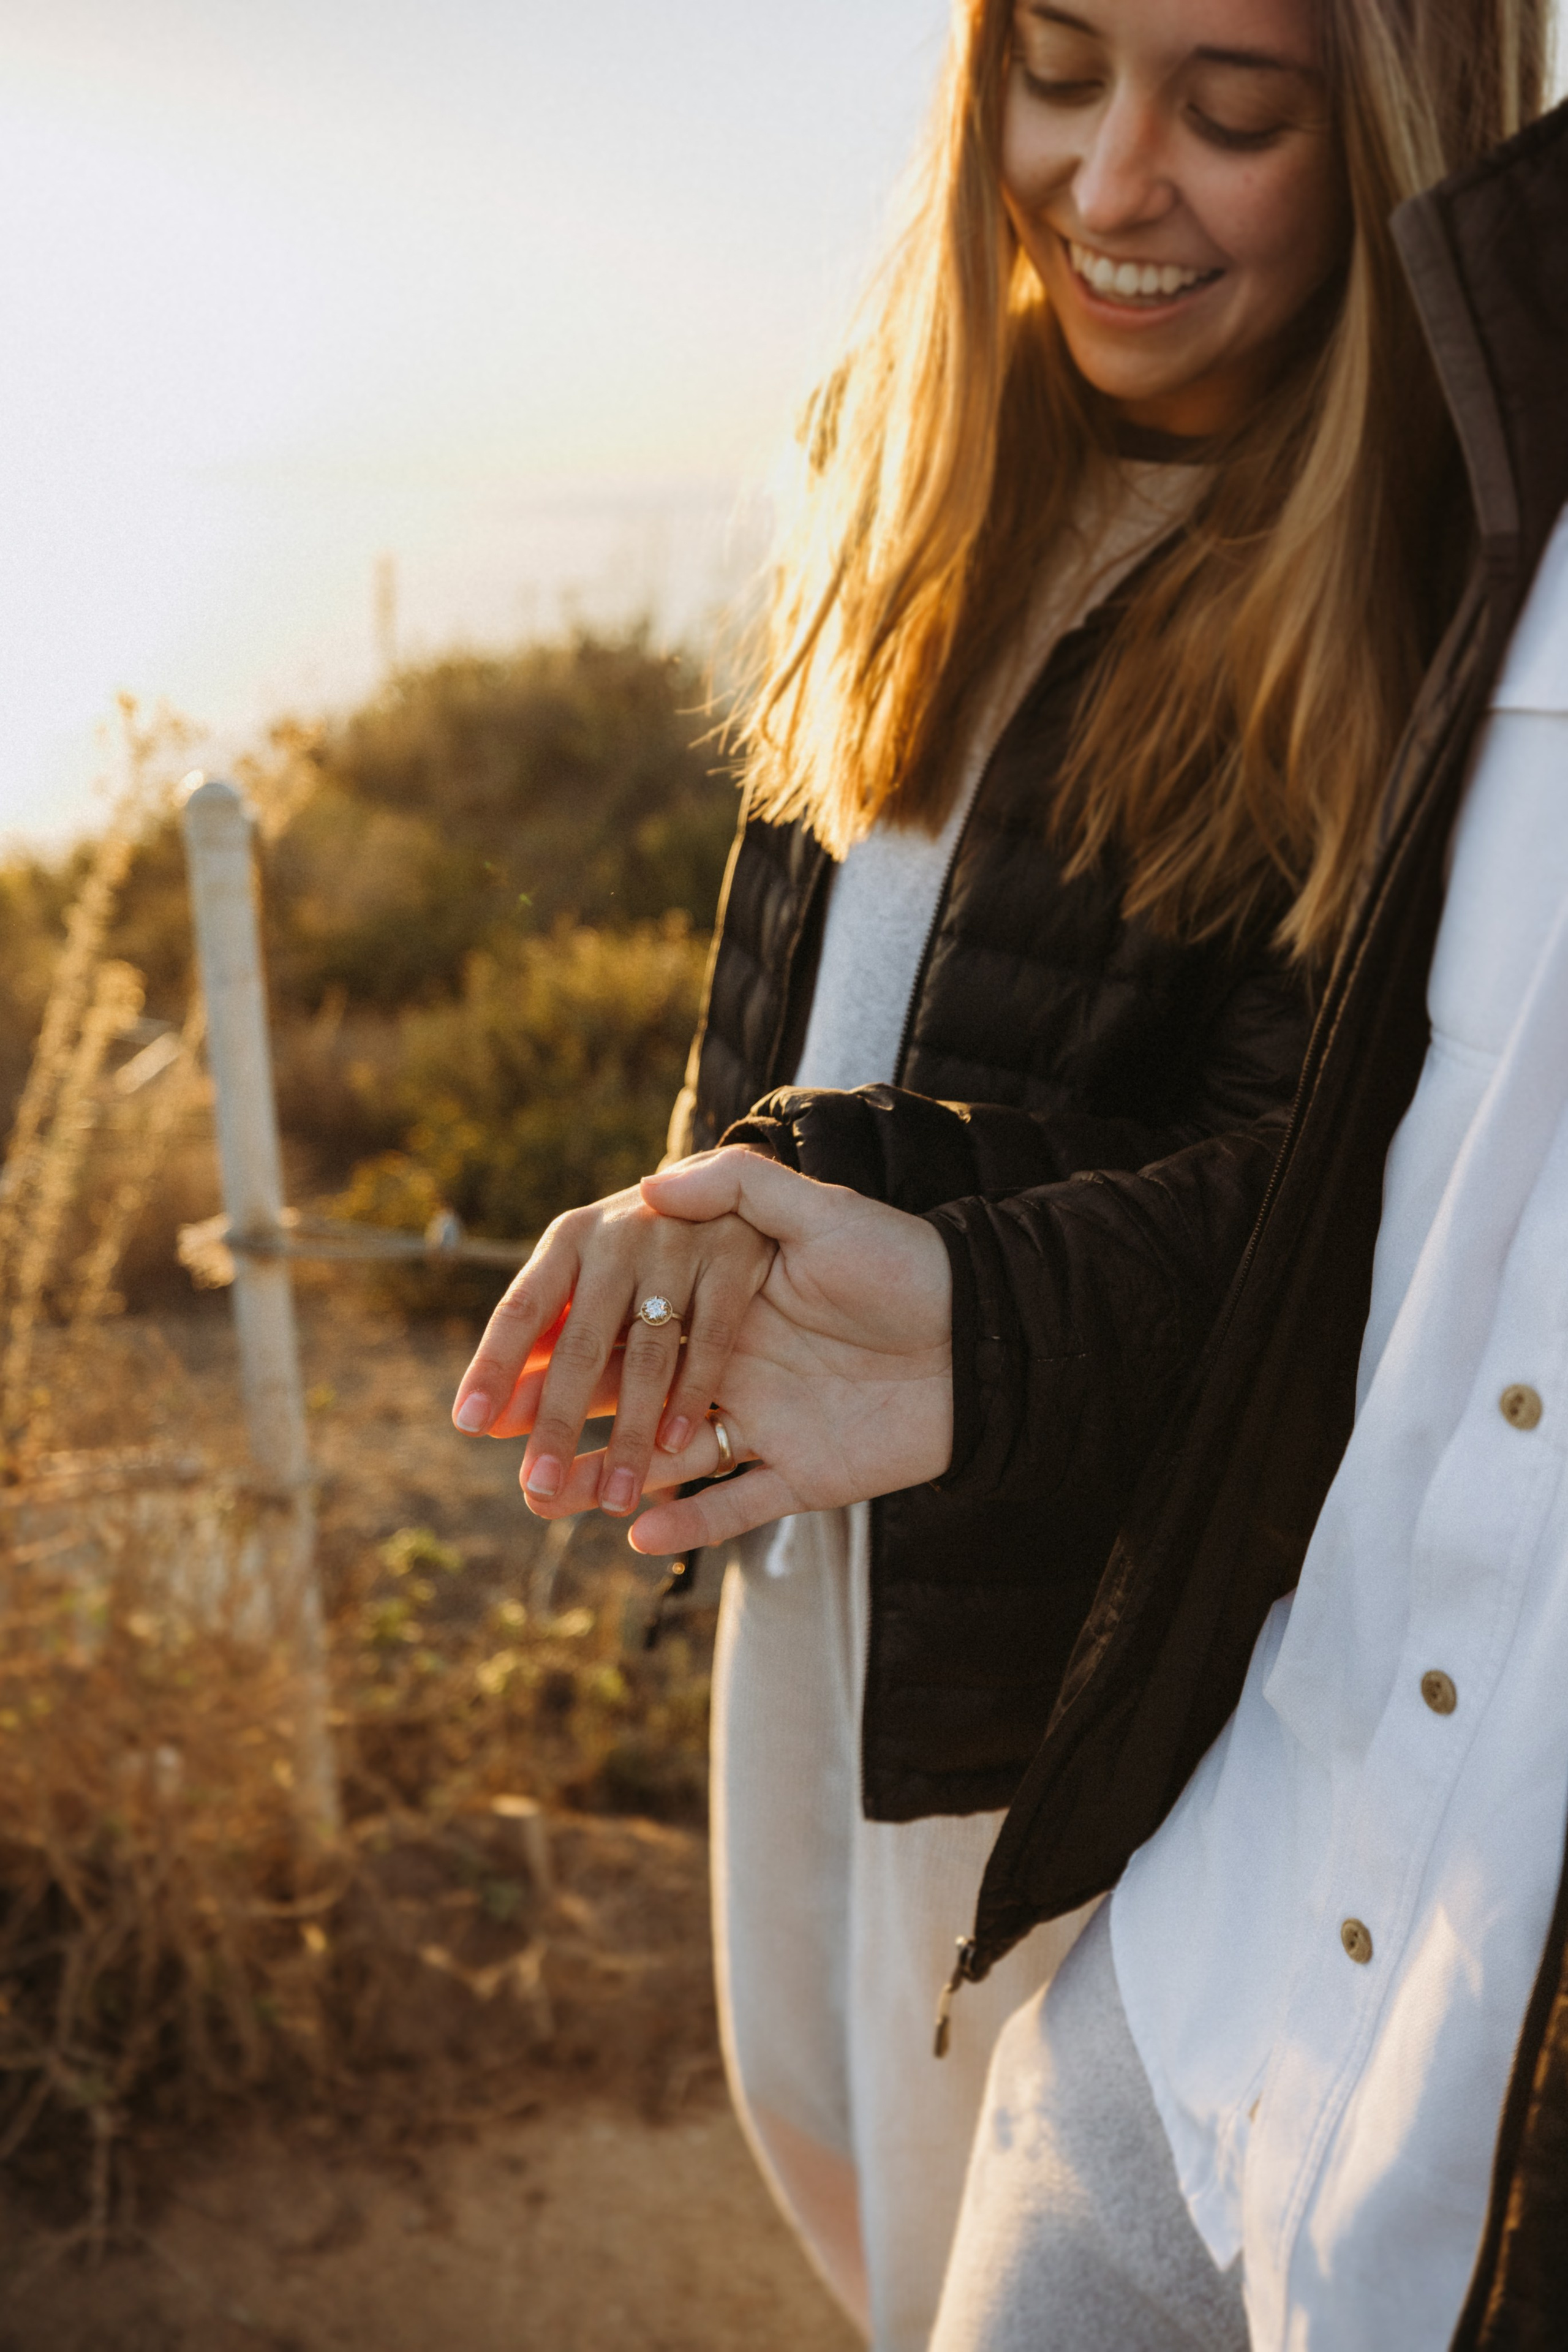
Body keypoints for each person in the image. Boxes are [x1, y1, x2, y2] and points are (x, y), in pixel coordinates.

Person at [452, 0, 1493, 2339]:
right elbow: (812, 994)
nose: (1116, 183)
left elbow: (1354, 1196)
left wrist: (939, 1295)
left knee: (1002, 2267)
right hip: (807, 1575)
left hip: (1075, 1653)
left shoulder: (1440, 589)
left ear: (1394, 136)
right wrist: (682, 1248)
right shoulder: (906, 463)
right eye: (1057, 70)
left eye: (1235, 111)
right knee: (820, 2152)